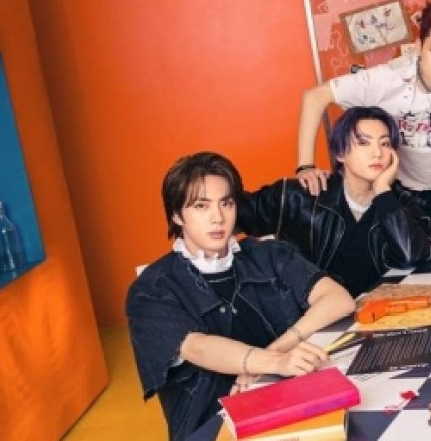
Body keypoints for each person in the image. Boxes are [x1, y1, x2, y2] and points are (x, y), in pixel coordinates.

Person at [127, 152, 356, 441]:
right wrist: (274, 363)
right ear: (176, 215)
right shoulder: (152, 288)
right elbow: (197, 347)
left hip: (292, 405)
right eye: (201, 206)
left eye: (226, 203)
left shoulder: (267, 254)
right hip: (215, 427)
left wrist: (278, 350)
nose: (218, 217)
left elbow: (338, 299)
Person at [294, 1, 431, 228]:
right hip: (400, 184)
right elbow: (314, 97)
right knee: (409, 248)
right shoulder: (388, 78)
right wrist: (305, 166)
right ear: (419, 47)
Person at [238, 107, 431, 297]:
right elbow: (234, 211)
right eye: (364, 143)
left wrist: (382, 189)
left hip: (380, 310)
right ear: (340, 153)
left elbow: (412, 257)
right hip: (316, 312)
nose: (377, 153)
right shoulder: (300, 196)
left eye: (385, 143)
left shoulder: (400, 202)